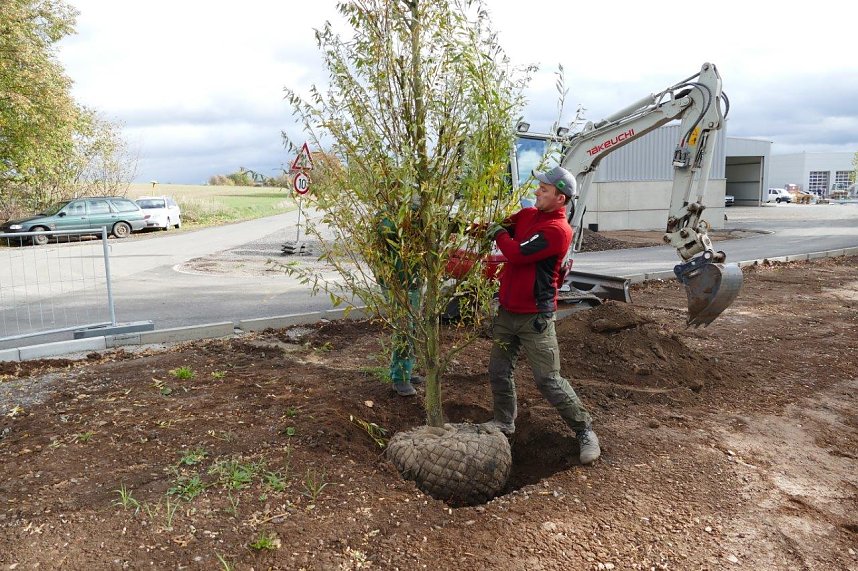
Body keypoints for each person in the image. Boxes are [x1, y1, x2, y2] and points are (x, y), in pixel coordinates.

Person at [483, 165, 601, 464]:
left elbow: (516, 253)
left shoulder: (557, 231)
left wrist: (498, 233)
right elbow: (497, 227)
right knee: (499, 371)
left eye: (544, 189)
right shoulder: (526, 216)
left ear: (560, 198)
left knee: (548, 379)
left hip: (535, 317)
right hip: (507, 311)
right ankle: (503, 421)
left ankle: (584, 430)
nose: (536, 191)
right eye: (539, 187)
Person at [376, 202, 423, 397]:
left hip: (413, 279)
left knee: (411, 327)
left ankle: (406, 369)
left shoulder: (417, 208)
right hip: (396, 281)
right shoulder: (385, 216)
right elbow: (389, 230)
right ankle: (400, 378)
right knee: (404, 327)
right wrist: (415, 218)